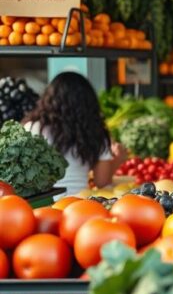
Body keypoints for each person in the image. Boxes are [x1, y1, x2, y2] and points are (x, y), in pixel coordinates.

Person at [23, 71, 125, 199]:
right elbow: (102, 183)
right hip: (81, 205)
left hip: (45, 206)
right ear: (89, 102)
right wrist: (119, 160)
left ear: (49, 98)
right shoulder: (95, 131)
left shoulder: (33, 128)